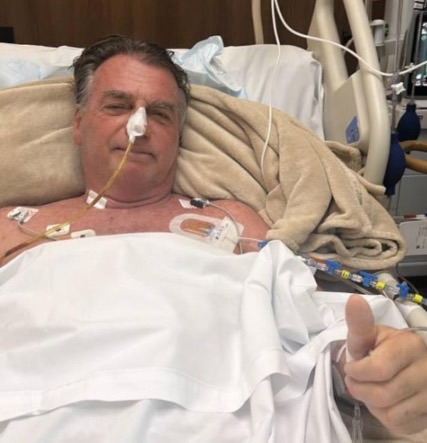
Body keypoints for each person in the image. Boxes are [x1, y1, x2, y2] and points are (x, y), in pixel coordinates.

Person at [0, 35, 426, 439]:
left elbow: (296, 320)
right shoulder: (13, 226)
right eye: (117, 105)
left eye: (161, 114)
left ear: (179, 135)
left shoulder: (231, 220)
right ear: (78, 124)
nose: (139, 125)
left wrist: (357, 364)